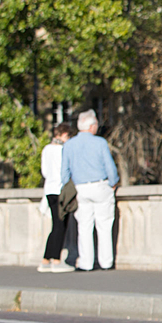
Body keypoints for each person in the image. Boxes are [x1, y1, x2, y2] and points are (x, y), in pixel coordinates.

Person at [60, 109, 120, 272]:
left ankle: (86, 263)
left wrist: (70, 187)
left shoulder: (70, 144)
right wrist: (113, 182)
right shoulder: (99, 142)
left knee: (84, 226)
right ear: (92, 126)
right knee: (104, 224)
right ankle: (106, 262)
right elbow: (110, 166)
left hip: (80, 188)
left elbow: (64, 172)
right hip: (100, 186)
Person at [38, 123, 75, 272]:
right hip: (60, 189)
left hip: (49, 189)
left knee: (56, 225)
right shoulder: (63, 150)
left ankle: (46, 259)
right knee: (60, 225)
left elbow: (45, 171)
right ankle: (56, 260)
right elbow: (66, 170)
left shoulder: (47, 149)